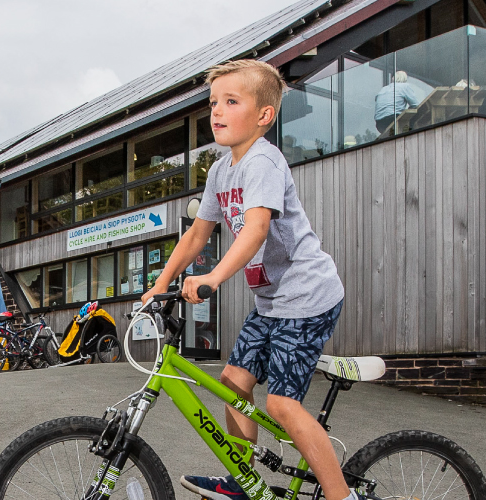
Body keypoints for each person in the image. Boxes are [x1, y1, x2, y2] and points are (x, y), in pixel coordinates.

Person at [142, 59, 351, 500]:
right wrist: (162, 283)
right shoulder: (221, 170)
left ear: (263, 116)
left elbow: (255, 229)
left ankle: (341, 496)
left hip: (308, 295)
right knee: (233, 383)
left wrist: (212, 279)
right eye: (213, 102)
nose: (216, 111)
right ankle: (246, 482)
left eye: (231, 101)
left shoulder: (263, 163)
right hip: (272, 303)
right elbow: (198, 233)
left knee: (281, 402)